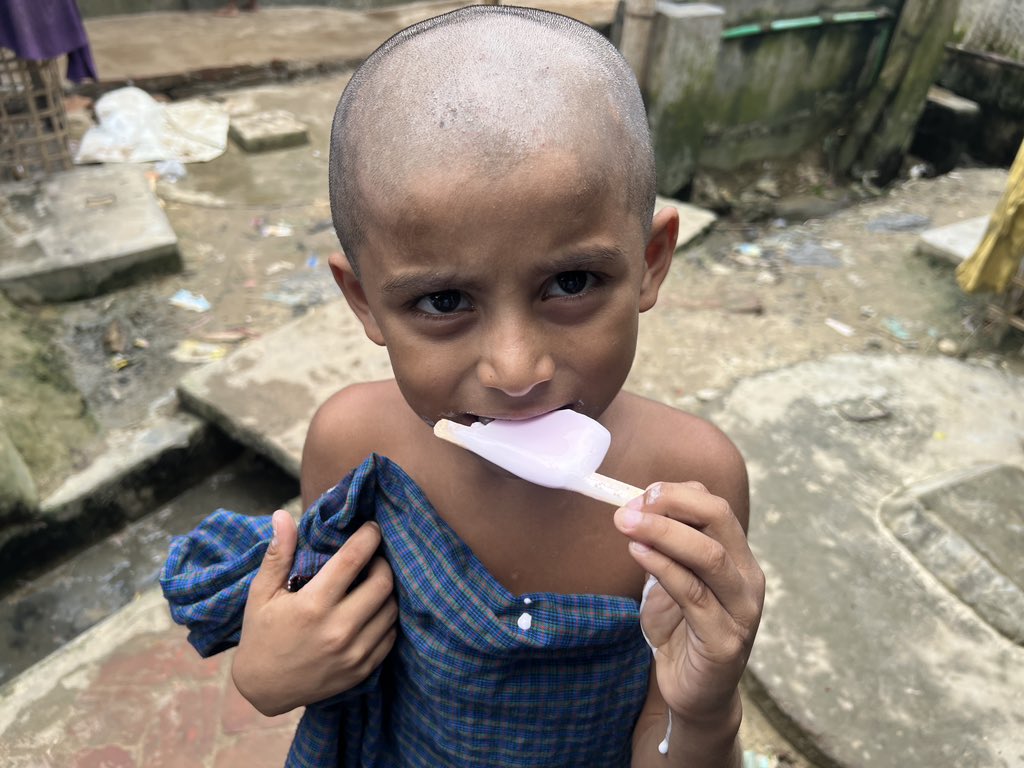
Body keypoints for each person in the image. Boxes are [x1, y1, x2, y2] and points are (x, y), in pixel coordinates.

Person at [161, 6, 765, 767]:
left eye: (571, 282)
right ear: (365, 304)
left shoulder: (693, 484)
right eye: (443, 302)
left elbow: (667, 741)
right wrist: (266, 671)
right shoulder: (354, 447)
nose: (516, 370)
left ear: (649, 261)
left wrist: (706, 709)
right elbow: (333, 655)